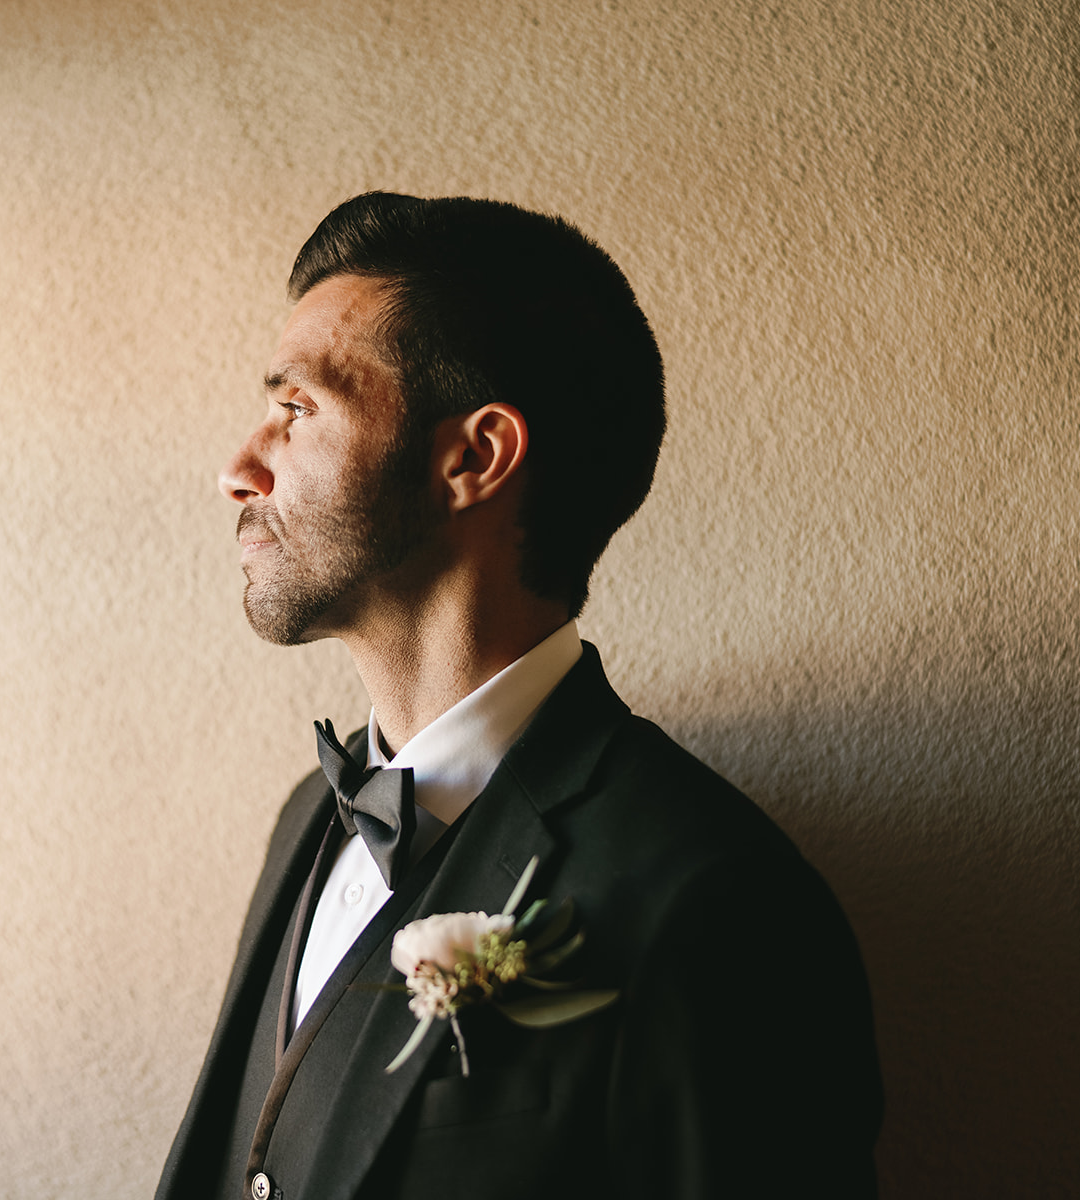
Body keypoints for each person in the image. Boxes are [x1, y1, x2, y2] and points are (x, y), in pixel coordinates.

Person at [155, 192, 882, 1200]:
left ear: (474, 458)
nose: (237, 470)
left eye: (296, 409)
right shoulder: (301, 825)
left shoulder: (714, 899)